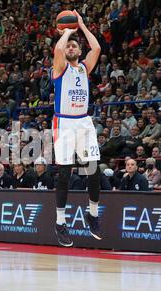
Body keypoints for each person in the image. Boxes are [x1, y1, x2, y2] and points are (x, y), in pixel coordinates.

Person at [51, 10, 102, 247]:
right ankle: (60, 223)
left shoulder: (84, 67)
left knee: (93, 170)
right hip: (64, 123)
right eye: (69, 46)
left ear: (79, 51)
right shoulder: (59, 68)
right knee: (64, 174)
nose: (71, 48)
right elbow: (58, 51)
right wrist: (68, 32)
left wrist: (81, 26)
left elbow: (97, 49)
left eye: (75, 46)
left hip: (83, 121)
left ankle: (92, 213)